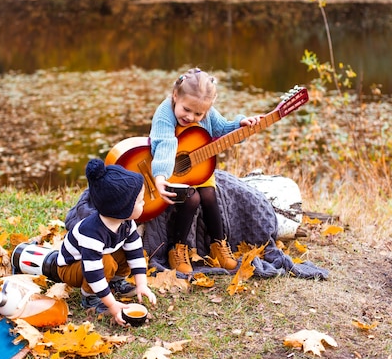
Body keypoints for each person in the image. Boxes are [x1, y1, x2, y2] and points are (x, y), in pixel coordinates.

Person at [150, 67, 263, 273]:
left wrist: (240, 124)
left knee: (209, 195)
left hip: (199, 169)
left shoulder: (207, 113)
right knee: (191, 199)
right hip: (169, 170)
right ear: (176, 95)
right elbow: (165, 144)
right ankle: (177, 248)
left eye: (198, 113)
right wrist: (160, 176)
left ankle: (219, 244)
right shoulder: (165, 113)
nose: (191, 117)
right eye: (186, 110)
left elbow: (222, 129)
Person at [54, 158, 157, 325]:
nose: (144, 202)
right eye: (139, 201)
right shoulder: (92, 232)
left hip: (96, 260)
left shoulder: (126, 222)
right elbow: (93, 272)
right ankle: (91, 298)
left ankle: (116, 282)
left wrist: (141, 284)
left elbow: (136, 252)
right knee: (105, 262)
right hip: (72, 267)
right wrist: (112, 304)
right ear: (121, 209)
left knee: (127, 251)